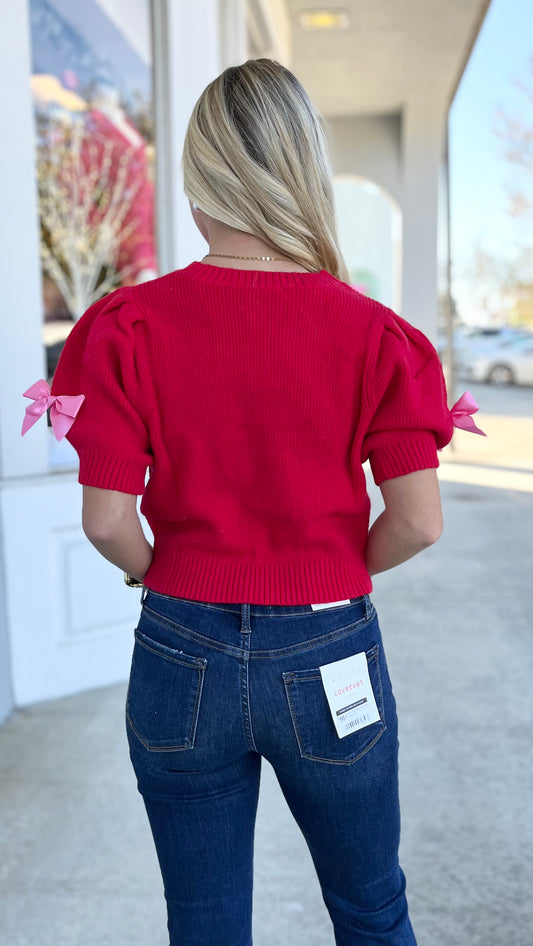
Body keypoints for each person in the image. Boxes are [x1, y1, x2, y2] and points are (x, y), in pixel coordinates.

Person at [23, 59, 483, 946]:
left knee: (202, 923)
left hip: (178, 645)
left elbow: (107, 520)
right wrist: (344, 564)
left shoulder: (128, 327)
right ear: (303, 175)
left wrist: (166, 576)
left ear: (199, 186)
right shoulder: (377, 337)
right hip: (326, 645)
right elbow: (419, 521)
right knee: (370, 907)